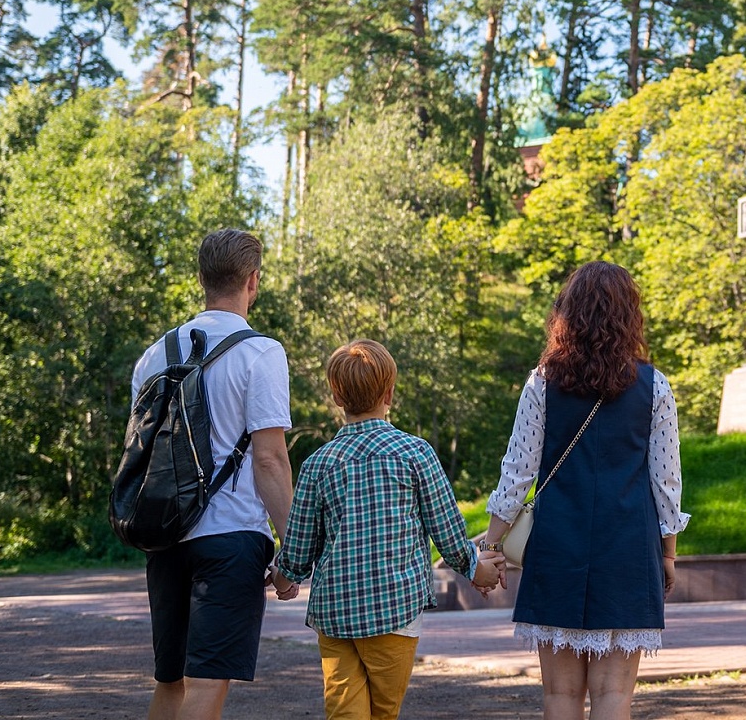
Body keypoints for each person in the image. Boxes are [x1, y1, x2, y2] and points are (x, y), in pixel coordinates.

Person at [480, 261, 689, 720]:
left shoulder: (542, 382)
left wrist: (492, 546)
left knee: (559, 695)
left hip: (557, 548)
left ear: (566, 314)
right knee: (614, 694)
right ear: (629, 316)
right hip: (628, 549)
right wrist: (669, 553)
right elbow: (666, 483)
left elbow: (516, 474)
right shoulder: (655, 386)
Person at [273, 339, 503, 720]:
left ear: (336, 396)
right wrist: (476, 569)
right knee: (383, 711)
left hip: (336, 613)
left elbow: (298, 549)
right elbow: (447, 532)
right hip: (395, 611)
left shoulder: (318, 464)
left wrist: (283, 579)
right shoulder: (415, 454)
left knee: (344, 712)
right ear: (390, 393)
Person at [129, 228, 295, 720]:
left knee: (171, 681)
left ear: (202, 278)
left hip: (165, 533)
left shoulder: (155, 354)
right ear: (253, 280)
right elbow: (269, 459)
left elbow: (140, 450)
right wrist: (293, 547)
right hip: (231, 536)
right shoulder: (261, 352)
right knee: (206, 682)